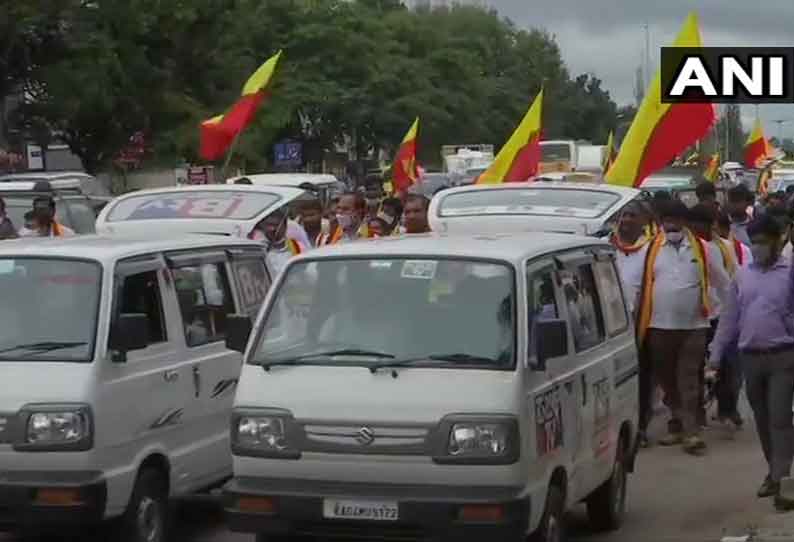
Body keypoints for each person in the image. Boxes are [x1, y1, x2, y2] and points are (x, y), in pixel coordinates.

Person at [628, 199, 730, 454]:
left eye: (675, 220)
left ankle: (692, 433)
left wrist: (729, 317)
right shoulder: (649, 250)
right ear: (661, 222)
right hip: (658, 327)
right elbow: (636, 288)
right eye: (667, 220)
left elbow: (724, 284)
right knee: (667, 380)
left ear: (684, 223)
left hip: (695, 325)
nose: (671, 225)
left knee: (688, 379)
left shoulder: (704, 249)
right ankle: (679, 421)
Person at [709, 214, 794, 511]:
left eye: (763, 242)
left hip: (783, 355)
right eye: (753, 242)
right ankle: (774, 471)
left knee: (781, 417)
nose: (757, 248)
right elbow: (729, 320)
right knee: (763, 420)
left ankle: (783, 480)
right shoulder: (742, 275)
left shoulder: (790, 273)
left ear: (777, 241)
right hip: (750, 357)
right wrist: (715, 356)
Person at [688, 203, 742, 429]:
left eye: (703, 224)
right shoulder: (686, 247)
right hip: (693, 318)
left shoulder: (721, 248)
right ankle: (695, 413)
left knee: (725, 367)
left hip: (718, 314)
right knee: (694, 368)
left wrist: (734, 312)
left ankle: (727, 408)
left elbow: (730, 282)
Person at [610, 200, 653, 312]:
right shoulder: (605, 246)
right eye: (624, 215)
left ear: (644, 220)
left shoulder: (651, 249)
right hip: (608, 313)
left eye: (632, 216)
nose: (627, 219)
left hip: (639, 314)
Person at [249, 209, 307, 276]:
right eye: (268, 225)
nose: (272, 229)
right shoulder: (258, 250)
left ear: (285, 225)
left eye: (275, 225)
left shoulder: (298, 247)